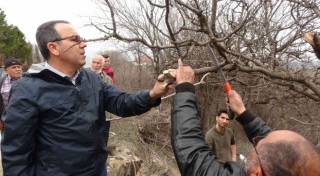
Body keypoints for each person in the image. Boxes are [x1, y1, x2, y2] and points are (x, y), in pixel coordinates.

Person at [1, 20, 174, 176]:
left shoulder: (91, 78)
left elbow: (122, 102)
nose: (83, 44)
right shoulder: (27, 89)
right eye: (75, 39)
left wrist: (153, 94)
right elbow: (16, 152)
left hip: (98, 169)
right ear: (54, 48)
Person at [171, 59, 320, 176]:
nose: (260, 137)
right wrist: (242, 113)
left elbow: (192, 153)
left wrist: (184, 89)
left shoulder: (229, 135)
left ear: (257, 173)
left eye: (261, 142)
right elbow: (276, 150)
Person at [0, 58, 23, 130]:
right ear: (6, 70)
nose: (17, 69)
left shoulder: (30, 79)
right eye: (14, 67)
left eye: (19, 67)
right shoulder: (1, 82)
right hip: (7, 120)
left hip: (27, 119)